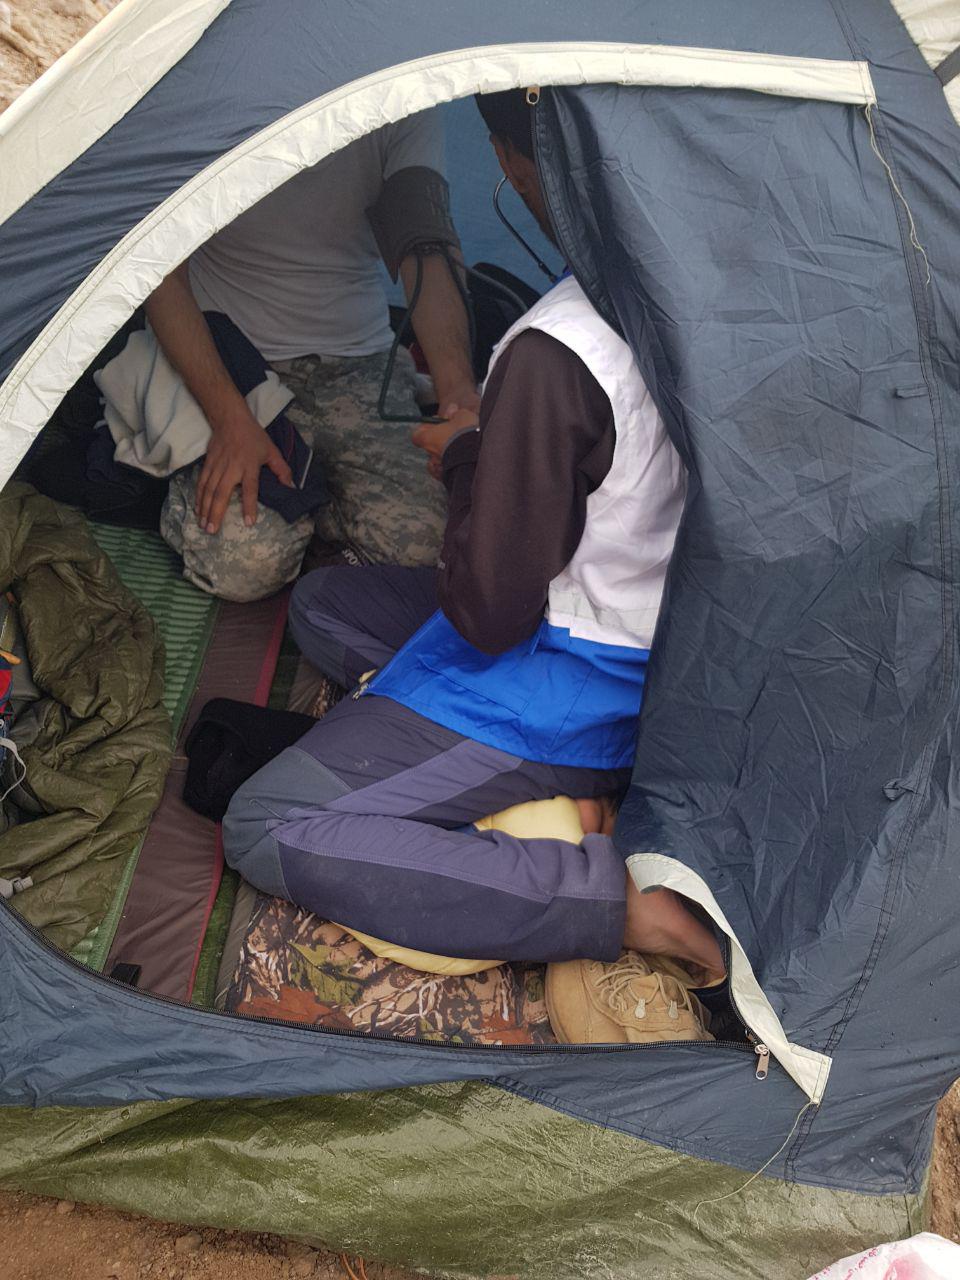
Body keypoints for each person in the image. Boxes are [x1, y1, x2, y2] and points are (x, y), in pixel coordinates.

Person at [222, 90, 724, 1041]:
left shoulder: (559, 349)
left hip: (574, 679)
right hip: (674, 636)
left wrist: (468, 460)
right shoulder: (726, 272)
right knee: (325, 601)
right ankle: (489, 767)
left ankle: (613, 901)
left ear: (515, 165)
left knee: (269, 822)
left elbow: (489, 612)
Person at [145, 110, 478, 601]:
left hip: (359, 365)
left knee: (433, 548)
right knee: (246, 567)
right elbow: (158, 273)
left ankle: (315, 507)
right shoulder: (212, 94)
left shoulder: (399, 93)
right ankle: (201, 495)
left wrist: (458, 397)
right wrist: (230, 420)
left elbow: (424, 248)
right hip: (235, 369)